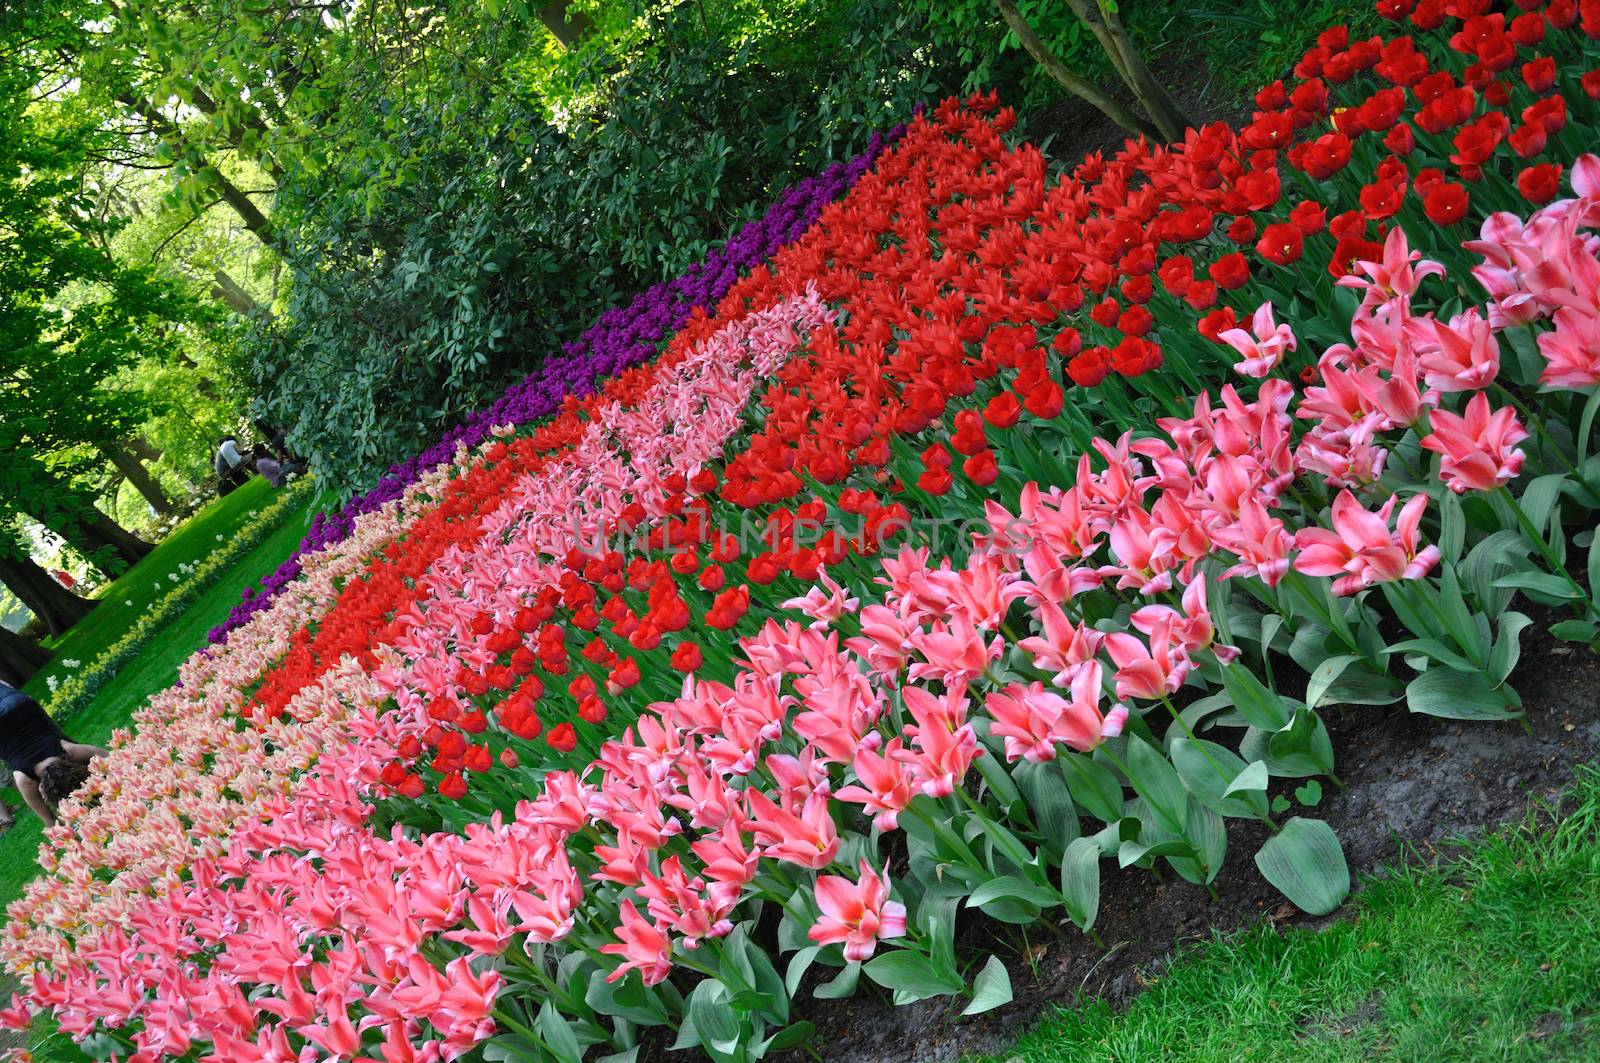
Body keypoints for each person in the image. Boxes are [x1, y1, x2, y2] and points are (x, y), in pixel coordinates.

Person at [0, 680, 105, 829]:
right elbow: (115, 760)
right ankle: (95, 785)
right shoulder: (25, 780)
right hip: (17, 705)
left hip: (19, 707)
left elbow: (50, 821)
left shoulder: (68, 751)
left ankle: (94, 786)